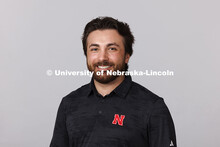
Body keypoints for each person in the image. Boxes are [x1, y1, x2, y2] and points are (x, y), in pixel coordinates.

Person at [50, 16, 177, 147]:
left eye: (112, 49)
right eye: (94, 49)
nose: (102, 58)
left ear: (127, 56)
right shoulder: (69, 104)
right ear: (86, 54)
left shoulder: (153, 107)